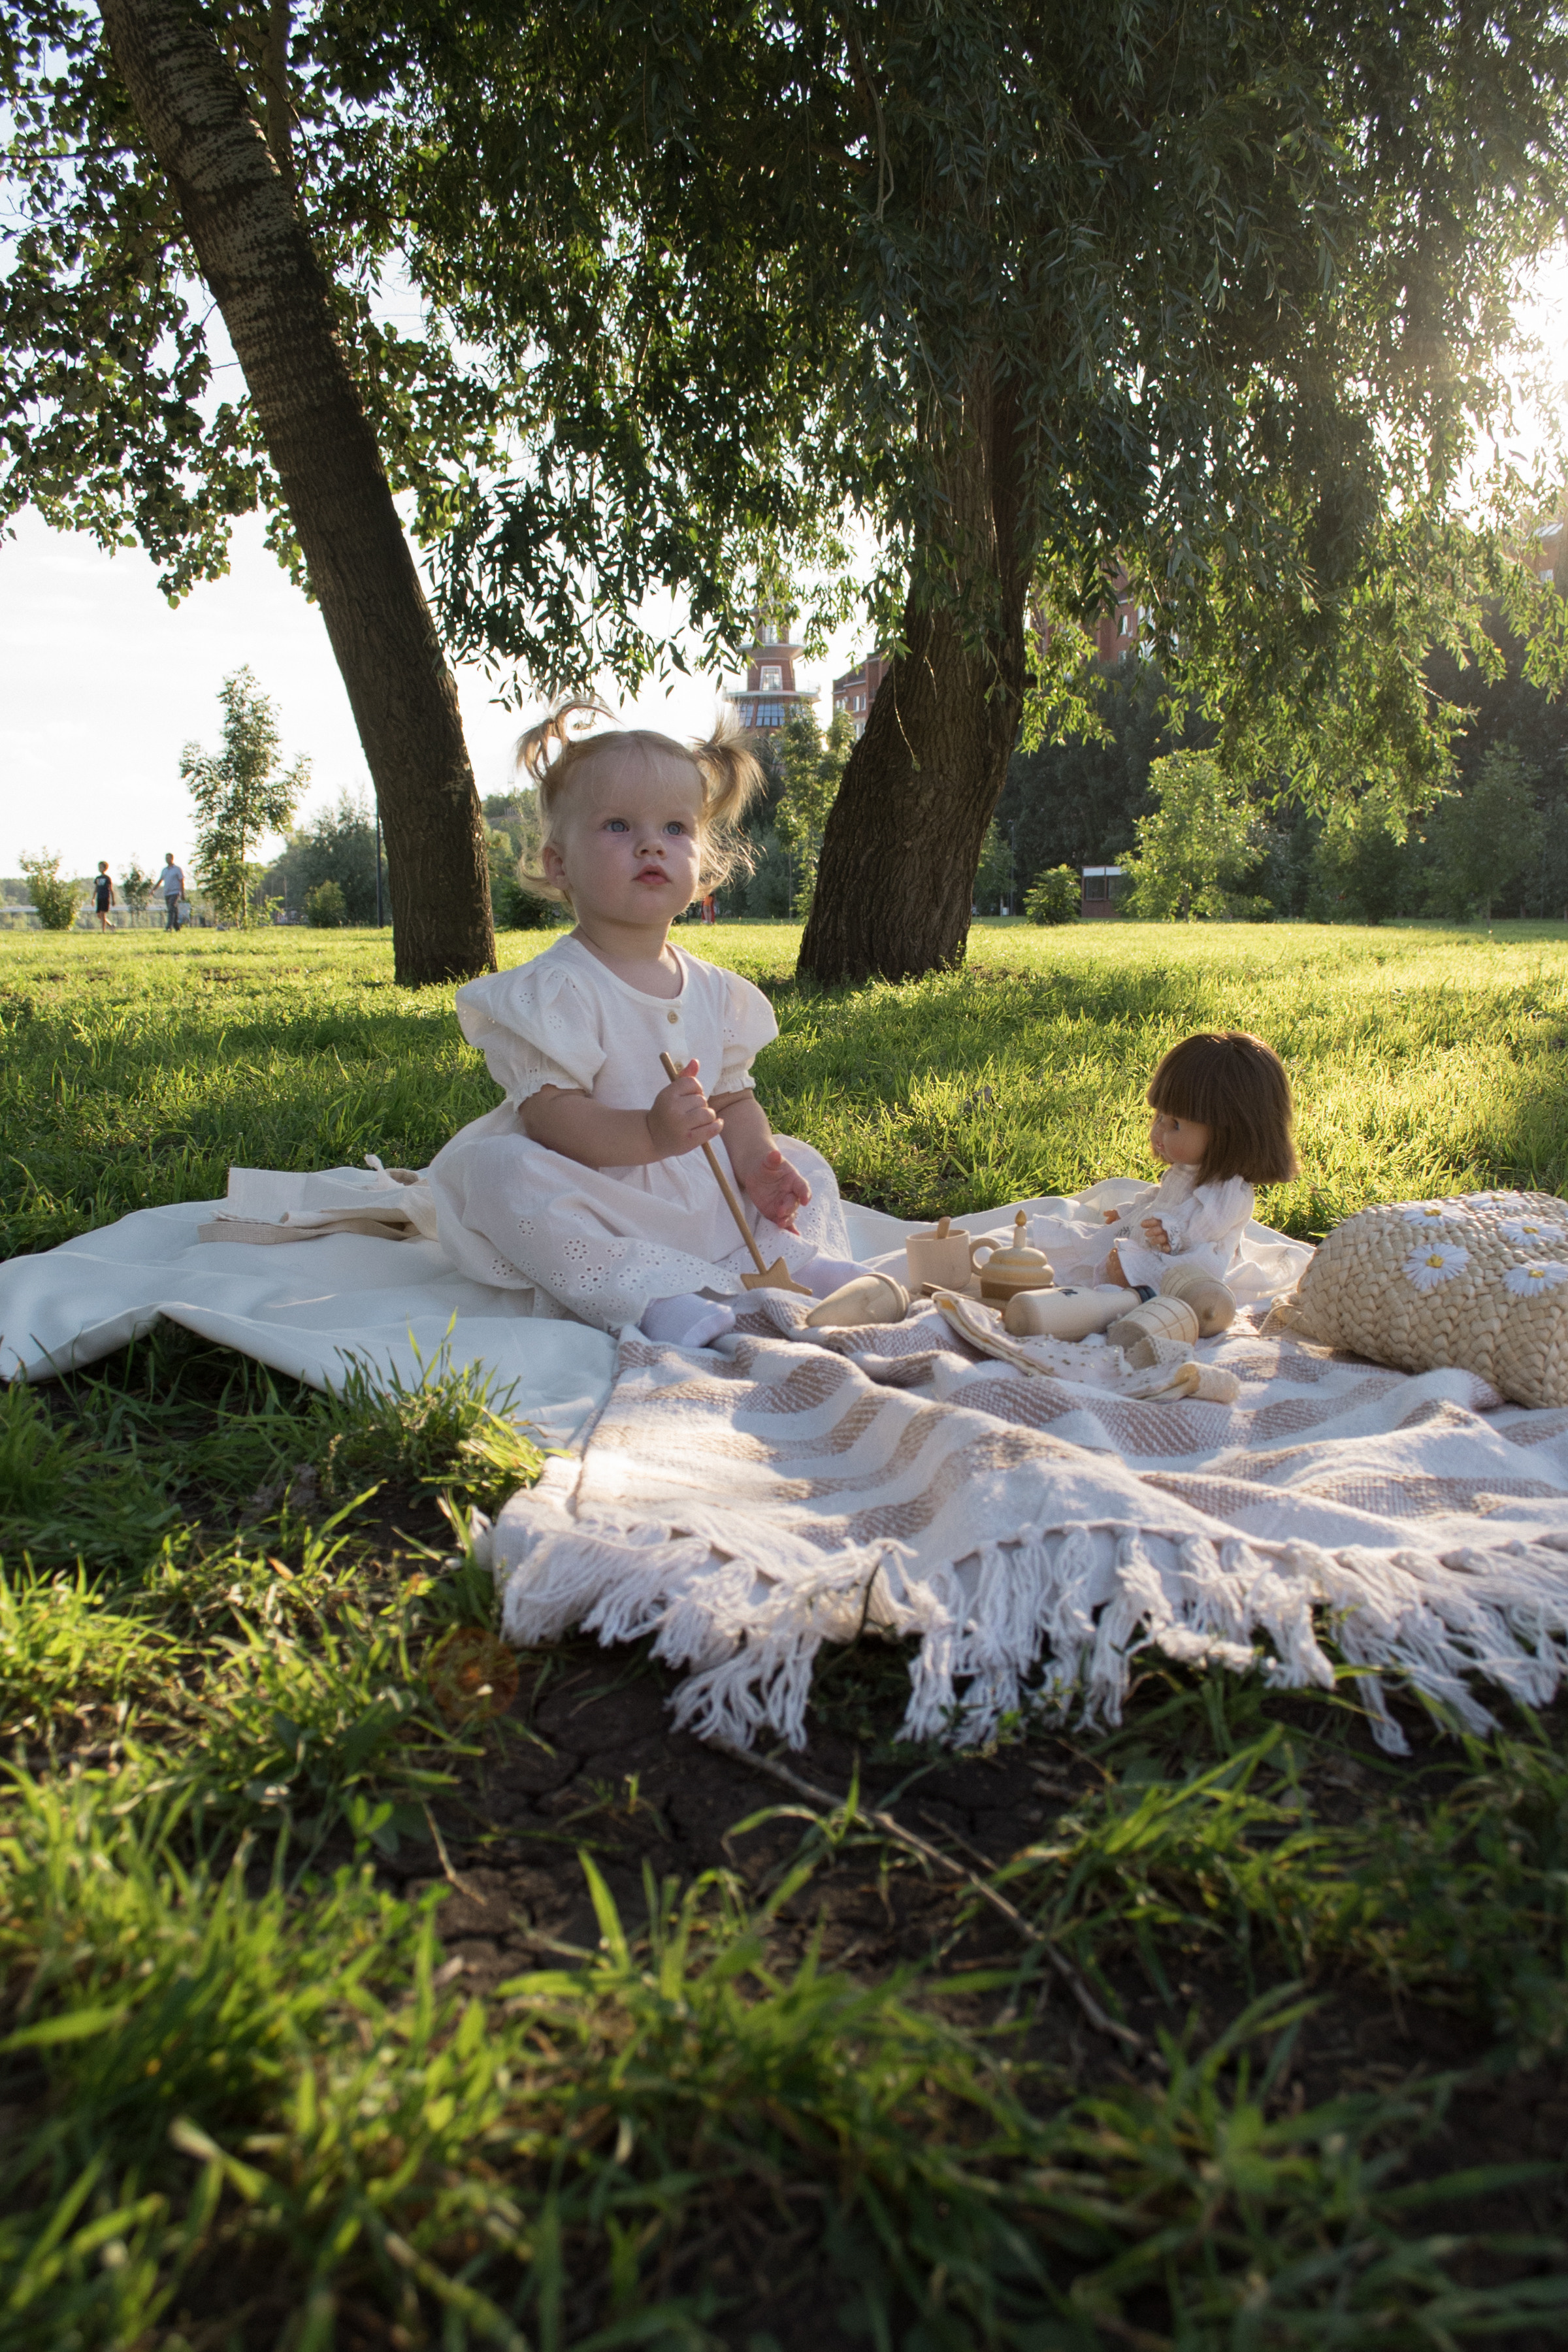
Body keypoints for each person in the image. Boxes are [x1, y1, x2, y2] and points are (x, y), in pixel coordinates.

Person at [425, 704, 872, 1343]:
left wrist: (757, 1162)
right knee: (498, 1174)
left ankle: (793, 1261)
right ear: (558, 864)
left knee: (803, 1163)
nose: (650, 844)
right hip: (599, 1192)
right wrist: (651, 1134)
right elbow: (550, 1117)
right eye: (616, 825)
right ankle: (649, 1295)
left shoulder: (718, 992)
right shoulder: (558, 989)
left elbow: (733, 1098)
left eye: (675, 827)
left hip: (698, 1191)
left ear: (701, 856)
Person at [1090, 1030, 1299, 1293]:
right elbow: (1163, 1197)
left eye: (1175, 1124)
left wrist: (1174, 1232)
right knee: (1099, 1246)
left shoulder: (1230, 1192)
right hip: (1161, 1242)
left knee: (1178, 1278)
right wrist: (1129, 1211)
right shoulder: (1187, 1171)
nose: (1159, 1132)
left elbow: (1208, 1225)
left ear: (1228, 1134)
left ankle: (1143, 1290)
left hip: (1194, 1254)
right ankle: (1130, 1274)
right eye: (1159, 1118)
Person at [157, 854, 184, 930]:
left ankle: (168, 927)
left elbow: (181, 881)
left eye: (168, 858)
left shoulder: (177, 869)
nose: (167, 860)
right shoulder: (164, 870)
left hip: (175, 892)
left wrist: (182, 893)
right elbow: (160, 881)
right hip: (167, 893)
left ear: (172, 859)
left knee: (171, 909)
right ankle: (177, 927)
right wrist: (153, 890)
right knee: (173, 910)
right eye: (166, 858)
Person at [92, 862, 116, 931]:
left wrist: (113, 900)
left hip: (105, 897)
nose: (100, 869)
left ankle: (103, 930)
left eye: (101, 867)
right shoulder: (98, 878)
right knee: (99, 915)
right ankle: (111, 926)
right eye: (99, 867)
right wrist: (93, 899)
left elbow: (111, 889)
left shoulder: (107, 878)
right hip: (99, 898)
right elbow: (96, 889)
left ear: (105, 868)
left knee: (103, 914)